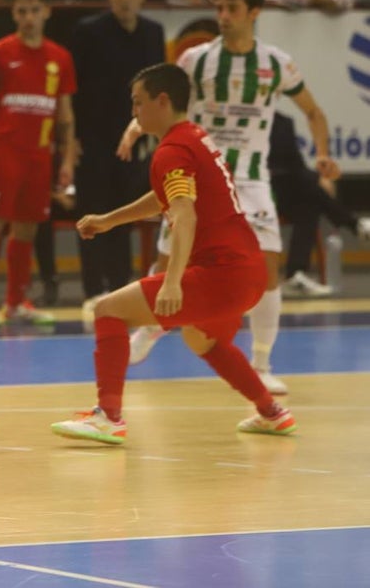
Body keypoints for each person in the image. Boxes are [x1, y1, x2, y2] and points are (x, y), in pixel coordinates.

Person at [51, 63, 297, 445]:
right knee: (202, 340)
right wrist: (109, 220)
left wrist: (173, 280)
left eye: (138, 103)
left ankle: (108, 417)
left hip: (222, 273)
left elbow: (184, 216)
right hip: (249, 273)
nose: (134, 113)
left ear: (162, 101)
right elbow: (166, 198)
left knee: (108, 310)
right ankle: (271, 412)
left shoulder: (171, 150)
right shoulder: (195, 137)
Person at [122, 0, 340, 396]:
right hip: (200, 173)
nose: (223, 15)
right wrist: (134, 129)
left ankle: (261, 363)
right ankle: (150, 329)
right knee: (170, 261)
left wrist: (322, 153)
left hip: (252, 179)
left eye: (232, 8)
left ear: (254, 12)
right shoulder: (196, 60)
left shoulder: (276, 62)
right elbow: (159, 103)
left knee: (268, 268)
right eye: (218, 7)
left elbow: (314, 112)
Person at [0, 0, 76, 328]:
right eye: (22, 11)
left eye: (34, 10)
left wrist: (68, 160)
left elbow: (65, 115)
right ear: (14, 15)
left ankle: (16, 301)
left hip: (39, 157)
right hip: (4, 152)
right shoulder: (0, 53)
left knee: (28, 228)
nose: (29, 18)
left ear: (46, 12)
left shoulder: (60, 57)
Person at [71, 0, 165, 303]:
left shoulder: (153, 33)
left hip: (136, 140)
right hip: (93, 137)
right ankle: (93, 289)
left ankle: (120, 287)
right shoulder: (88, 32)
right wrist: (72, 139)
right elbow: (72, 90)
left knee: (125, 213)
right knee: (93, 210)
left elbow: (160, 90)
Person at [270, 111, 370, 297]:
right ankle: (355, 225)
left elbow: (295, 166)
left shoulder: (283, 122)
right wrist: (317, 179)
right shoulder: (246, 120)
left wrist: (316, 180)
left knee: (309, 207)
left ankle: (295, 276)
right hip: (255, 192)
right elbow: (273, 167)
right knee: (310, 188)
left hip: (284, 193)